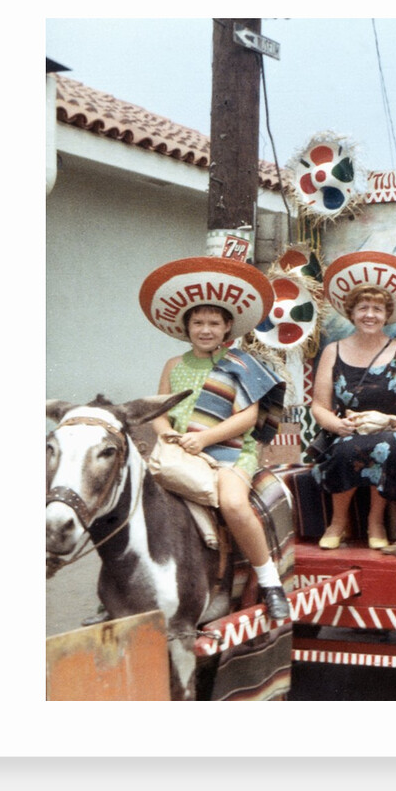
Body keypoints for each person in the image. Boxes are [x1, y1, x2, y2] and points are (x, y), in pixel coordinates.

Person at [141, 257, 290, 621]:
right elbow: (159, 411)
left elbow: (249, 417)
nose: (205, 330)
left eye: (213, 323)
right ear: (186, 326)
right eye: (198, 323)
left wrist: (205, 438)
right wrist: (169, 435)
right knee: (130, 500)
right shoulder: (174, 366)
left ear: (227, 328)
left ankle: (269, 581)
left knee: (235, 505)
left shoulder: (239, 362)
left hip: (231, 452)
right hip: (181, 451)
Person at [311, 254, 396, 550]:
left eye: (377, 309)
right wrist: (334, 424)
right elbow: (318, 405)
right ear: (352, 313)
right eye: (363, 308)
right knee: (344, 449)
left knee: (387, 445)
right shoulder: (332, 351)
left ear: (386, 315)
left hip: (389, 428)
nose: (370, 315)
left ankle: (375, 521)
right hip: (346, 429)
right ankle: (338, 523)